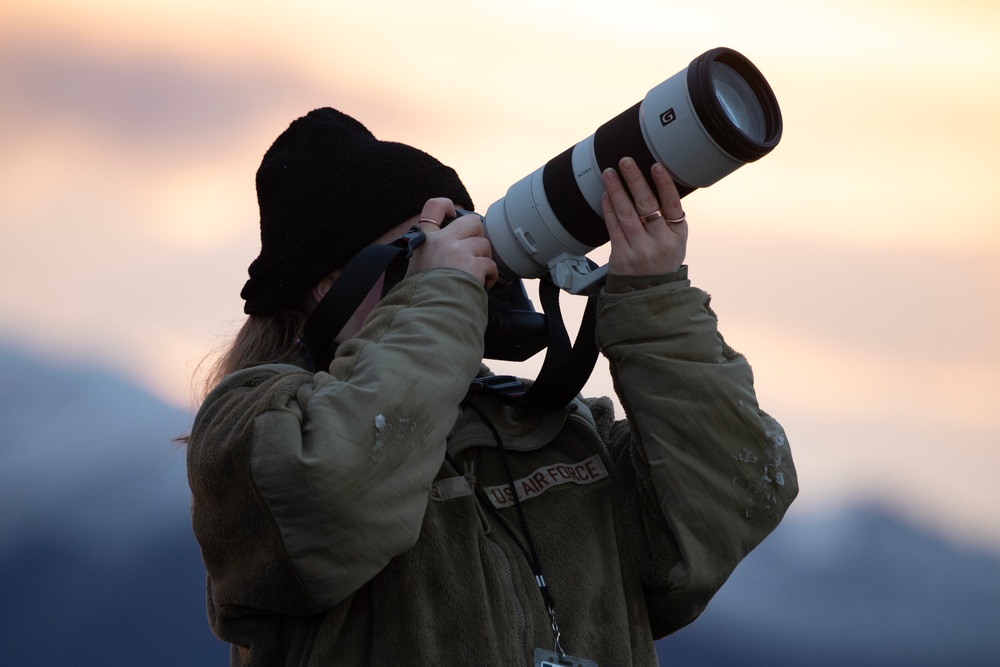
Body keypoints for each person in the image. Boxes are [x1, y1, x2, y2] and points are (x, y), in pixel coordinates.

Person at [186, 107, 797, 667]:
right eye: (421, 245)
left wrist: (655, 303)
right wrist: (437, 298)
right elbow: (331, 494)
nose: (461, 265)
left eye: (462, 238)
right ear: (330, 283)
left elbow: (730, 505)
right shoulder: (254, 425)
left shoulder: (560, 435)